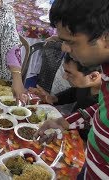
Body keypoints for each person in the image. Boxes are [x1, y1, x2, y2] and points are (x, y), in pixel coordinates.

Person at [33, 0, 109, 179]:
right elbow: (101, 109)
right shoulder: (105, 72)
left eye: (71, 42)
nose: (65, 49)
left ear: (105, 37)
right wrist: (63, 122)